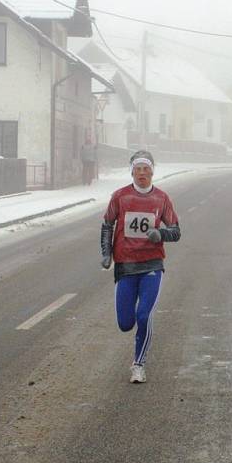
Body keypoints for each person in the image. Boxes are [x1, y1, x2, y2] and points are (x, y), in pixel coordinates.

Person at [100, 150, 180, 383]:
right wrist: (106, 253)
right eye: (138, 169)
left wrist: (161, 233)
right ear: (132, 172)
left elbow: (176, 231)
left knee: (143, 315)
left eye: (146, 169)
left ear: (153, 171)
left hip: (152, 265)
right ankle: (135, 343)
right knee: (126, 323)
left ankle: (138, 364)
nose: (142, 173)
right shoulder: (120, 196)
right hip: (125, 265)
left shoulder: (161, 199)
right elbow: (107, 224)